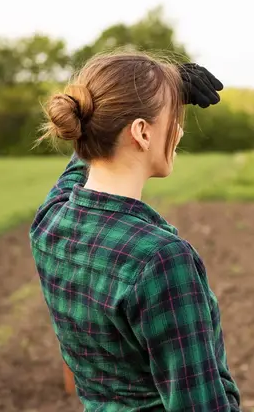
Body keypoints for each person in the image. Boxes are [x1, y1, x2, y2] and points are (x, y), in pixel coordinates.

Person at [28, 51, 240, 411]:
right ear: (141, 132)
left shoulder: (50, 222)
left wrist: (163, 85)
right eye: (174, 118)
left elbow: (82, 160)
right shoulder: (160, 259)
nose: (180, 130)